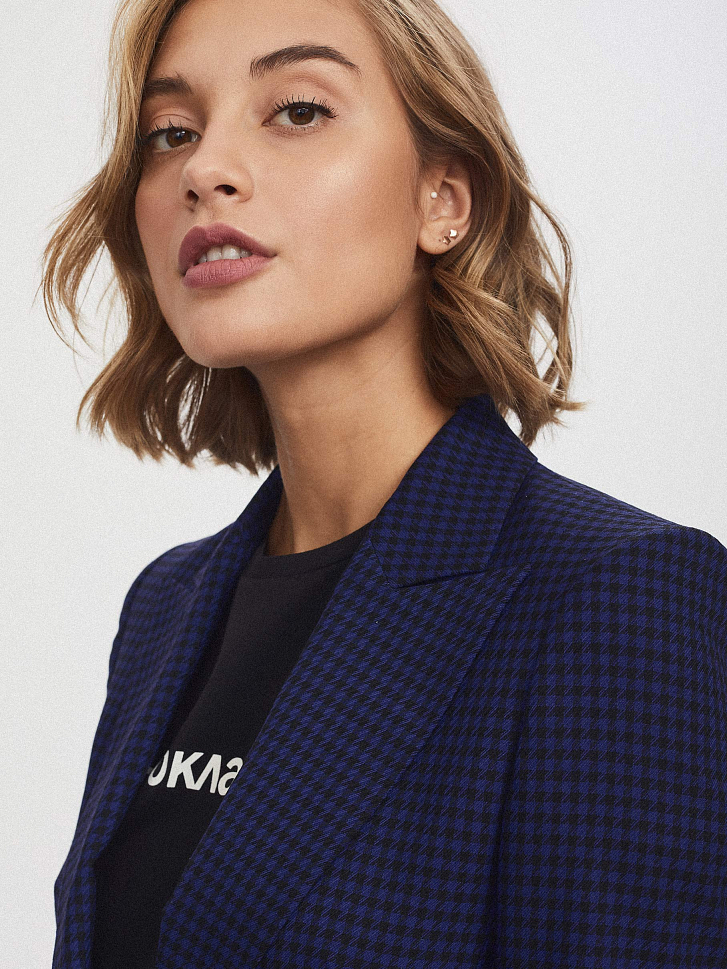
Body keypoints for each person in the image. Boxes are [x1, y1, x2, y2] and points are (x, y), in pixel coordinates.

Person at [41, 0, 726, 965]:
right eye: (171, 132)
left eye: (298, 110)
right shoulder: (165, 606)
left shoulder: (617, 595)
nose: (204, 169)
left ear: (443, 199)